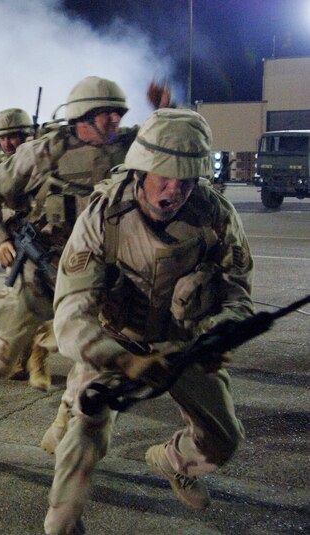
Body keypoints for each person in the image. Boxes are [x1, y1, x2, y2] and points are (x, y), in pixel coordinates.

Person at [0, 76, 172, 465]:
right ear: (81, 116)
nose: (114, 120)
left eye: (118, 113)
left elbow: (168, 144)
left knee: (102, 356)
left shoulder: (128, 148)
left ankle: (62, 424)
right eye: (104, 114)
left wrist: (163, 110)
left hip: (104, 274)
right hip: (44, 269)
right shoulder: (44, 152)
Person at [44, 108, 253, 534]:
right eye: (163, 176)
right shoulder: (104, 216)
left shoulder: (215, 214)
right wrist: (121, 360)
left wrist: (222, 333)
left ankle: (173, 462)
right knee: (80, 447)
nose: (173, 191)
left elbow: (237, 289)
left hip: (184, 344)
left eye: (186, 180)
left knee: (223, 440)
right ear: (141, 170)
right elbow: (69, 315)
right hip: (115, 345)